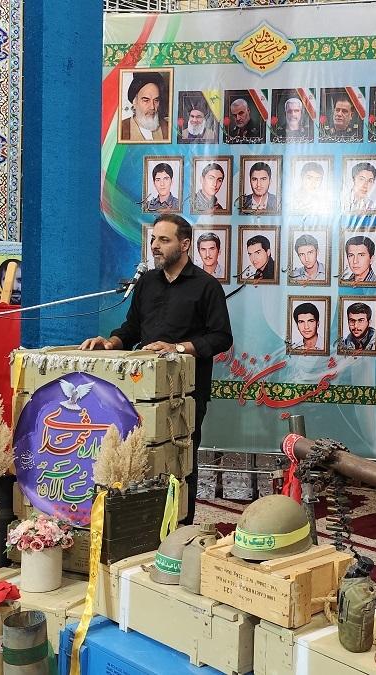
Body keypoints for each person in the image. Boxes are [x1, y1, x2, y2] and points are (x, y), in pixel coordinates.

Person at [79, 213, 232, 525]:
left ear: (185, 244)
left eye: (164, 239)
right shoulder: (147, 283)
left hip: (185, 392)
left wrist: (177, 348)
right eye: (153, 239)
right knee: (141, 454)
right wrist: (110, 342)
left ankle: (181, 527)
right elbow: (132, 329)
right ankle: (141, 524)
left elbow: (221, 337)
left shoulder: (206, 286)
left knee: (179, 459)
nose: (155, 246)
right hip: (141, 389)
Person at [120, 71, 170, 142]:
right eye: (146, 100)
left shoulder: (167, 127)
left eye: (156, 100)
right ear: (134, 101)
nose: (152, 107)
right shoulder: (121, 129)